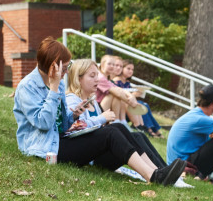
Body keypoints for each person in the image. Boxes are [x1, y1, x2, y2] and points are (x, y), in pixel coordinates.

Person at [14, 38, 186, 186]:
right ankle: (154, 177)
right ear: (53, 66)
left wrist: (73, 115)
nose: (67, 71)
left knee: (118, 128)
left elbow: (61, 125)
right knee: (110, 132)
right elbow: (43, 124)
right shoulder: (27, 87)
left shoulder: (58, 83)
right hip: (45, 150)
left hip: (61, 141)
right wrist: (52, 90)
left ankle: (157, 173)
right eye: (65, 67)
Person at [63, 58, 181, 185]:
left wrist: (103, 122)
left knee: (138, 136)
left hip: (95, 151)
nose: (97, 79)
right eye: (92, 76)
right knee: (115, 130)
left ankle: (160, 171)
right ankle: (152, 176)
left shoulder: (92, 102)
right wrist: (102, 118)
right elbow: (73, 128)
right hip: (88, 155)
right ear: (78, 79)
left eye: (97, 75)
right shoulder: (72, 99)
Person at [114, 61, 161, 137]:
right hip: (122, 106)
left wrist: (136, 94)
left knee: (145, 105)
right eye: (128, 68)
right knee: (141, 104)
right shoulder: (117, 81)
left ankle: (152, 129)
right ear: (122, 69)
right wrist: (133, 95)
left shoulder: (127, 82)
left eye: (132, 69)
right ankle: (145, 128)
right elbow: (121, 95)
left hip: (127, 103)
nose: (130, 71)